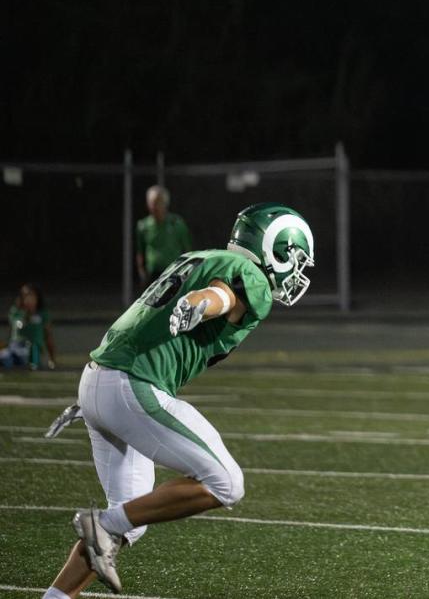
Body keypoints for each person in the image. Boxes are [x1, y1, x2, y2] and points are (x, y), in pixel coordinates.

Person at [42, 203, 315, 598]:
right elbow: (221, 294)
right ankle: (102, 525)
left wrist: (199, 302)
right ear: (278, 249)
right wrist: (201, 304)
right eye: (298, 259)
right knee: (226, 483)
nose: (299, 271)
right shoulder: (250, 274)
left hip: (98, 380)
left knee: (131, 517)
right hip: (133, 384)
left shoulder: (198, 255)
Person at [136, 185, 192, 286]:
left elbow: (187, 250)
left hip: (174, 272)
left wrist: (187, 271)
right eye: (152, 202)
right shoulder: (143, 226)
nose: (155, 206)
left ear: (165, 203)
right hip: (153, 275)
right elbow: (141, 251)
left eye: (158, 202)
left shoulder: (177, 223)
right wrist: (142, 272)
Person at [1, 283, 57, 369]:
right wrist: (26, 314)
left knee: (24, 357)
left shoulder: (42, 314)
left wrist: (52, 359)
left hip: (32, 348)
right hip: (15, 346)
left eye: (31, 295)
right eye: (25, 296)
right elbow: (18, 324)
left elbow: (48, 336)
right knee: (6, 356)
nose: (28, 299)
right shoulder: (16, 312)